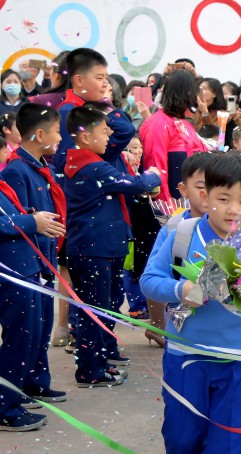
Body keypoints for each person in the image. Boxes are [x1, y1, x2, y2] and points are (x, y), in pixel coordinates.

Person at [140, 151, 241, 454]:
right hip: (186, 356)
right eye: (224, 198)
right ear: (205, 194)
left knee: (230, 436)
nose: (233, 209)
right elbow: (150, 280)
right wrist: (182, 288)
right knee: (182, 433)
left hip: (239, 356)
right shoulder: (180, 233)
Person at [62, 103, 161, 386]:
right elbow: (136, 184)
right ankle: (90, 371)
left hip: (100, 246)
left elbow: (123, 130)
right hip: (95, 248)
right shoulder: (91, 166)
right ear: (84, 136)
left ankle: (100, 362)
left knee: (102, 307)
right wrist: (155, 175)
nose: (109, 137)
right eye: (103, 131)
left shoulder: (86, 160)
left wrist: (105, 109)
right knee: (95, 311)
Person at [0, 104, 68, 404]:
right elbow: (24, 225)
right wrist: (41, 261)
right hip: (26, 265)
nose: (61, 139)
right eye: (56, 132)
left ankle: (35, 382)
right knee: (23, 334)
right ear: (40, 135)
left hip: (41, 262)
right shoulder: (17, 171)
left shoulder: (42, 167)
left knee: (38, 329)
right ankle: (11, 398)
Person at [0, 179, 65, 431]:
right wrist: (32, 222)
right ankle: (5, 408)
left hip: (23, 269)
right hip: (9, 272)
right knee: (18, 339)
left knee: (30, 336)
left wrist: (31, 216)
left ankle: (14, 398)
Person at [52, 49, 135, 174]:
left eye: (106, 78)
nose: (105, 84)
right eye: (100, 78)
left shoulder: (95, 109)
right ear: (79, 80)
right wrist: (107, 105)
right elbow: (69, 164)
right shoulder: (68, 112)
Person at [138, 70, 207, 201]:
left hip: (193, 203)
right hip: (172, 207)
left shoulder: (186, 124)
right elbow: (155, 169)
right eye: (194, 92)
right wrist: (167, 209)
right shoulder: (157, 124)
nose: (197, 99)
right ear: (185, 93)